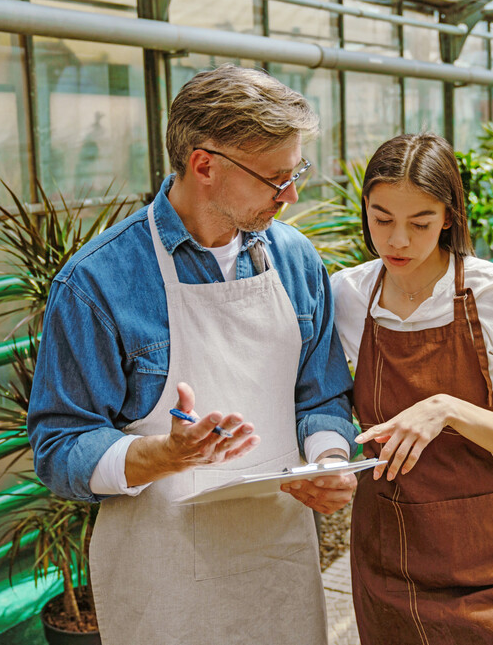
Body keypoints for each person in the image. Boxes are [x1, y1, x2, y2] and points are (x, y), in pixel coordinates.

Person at [27, 65, 360, 645]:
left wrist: (329, 459)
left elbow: (322, 394)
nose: (292, 194)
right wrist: (161, 455)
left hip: (279, 561)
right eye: (276, 178)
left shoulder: (297, 260)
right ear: (205, 165)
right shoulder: (98, 282)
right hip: (162, 577)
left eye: (295, 171)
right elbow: (59, 445)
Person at [330, 132, 493, 644]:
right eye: (382, 218)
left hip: (491, 562)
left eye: (420, 223)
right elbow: (318, 402)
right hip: (388, 558)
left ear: (450, 216)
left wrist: (447, 409)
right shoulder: (346, 295)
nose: (398, 241)